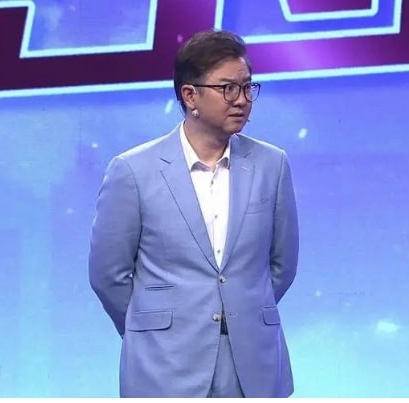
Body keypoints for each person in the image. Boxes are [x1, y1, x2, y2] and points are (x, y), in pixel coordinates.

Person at [88, 29, 299, 398]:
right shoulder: (133, 170)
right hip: (164, 365)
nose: (242, 100)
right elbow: (109, 275)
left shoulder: (271, 164)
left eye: (247, 87)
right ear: (190, 96)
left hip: (252, 365)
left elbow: (281, 265)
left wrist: (240, 311)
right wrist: (154, 327)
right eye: (228, 88)